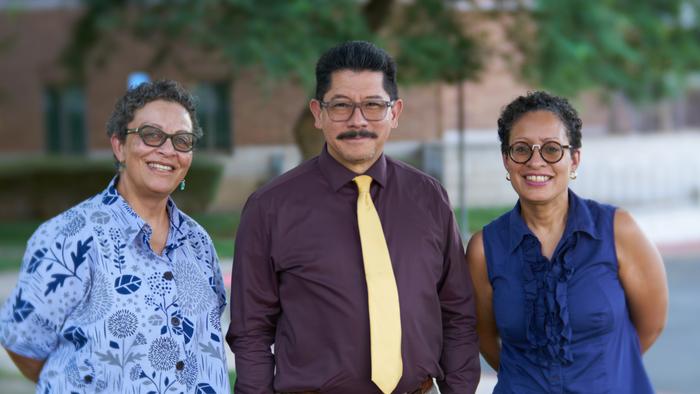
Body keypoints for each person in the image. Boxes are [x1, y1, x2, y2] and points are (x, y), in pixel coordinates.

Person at [226, 41, 480, 394]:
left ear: (395, 112)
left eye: (374, 105)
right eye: (341, 105)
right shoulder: (269, 208)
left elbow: (458, 314)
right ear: (318, 113)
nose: (358, 120)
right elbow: (251, 331)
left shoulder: (429, 198)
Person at [0, 80, 230, 393]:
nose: (167, 150)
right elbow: (23, 344)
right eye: (151, 135)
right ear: (119, 146)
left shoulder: (198, 241)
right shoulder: (67, 238)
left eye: (182, 140)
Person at [466, 91, 669, 393]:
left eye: (552, 149)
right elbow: (485, 338)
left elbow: (651, 324)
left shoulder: (617, 230)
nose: (536, 162)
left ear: (574, 159)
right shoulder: (485, 248)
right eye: (521, 149)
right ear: (507, 160)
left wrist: (601, 370)